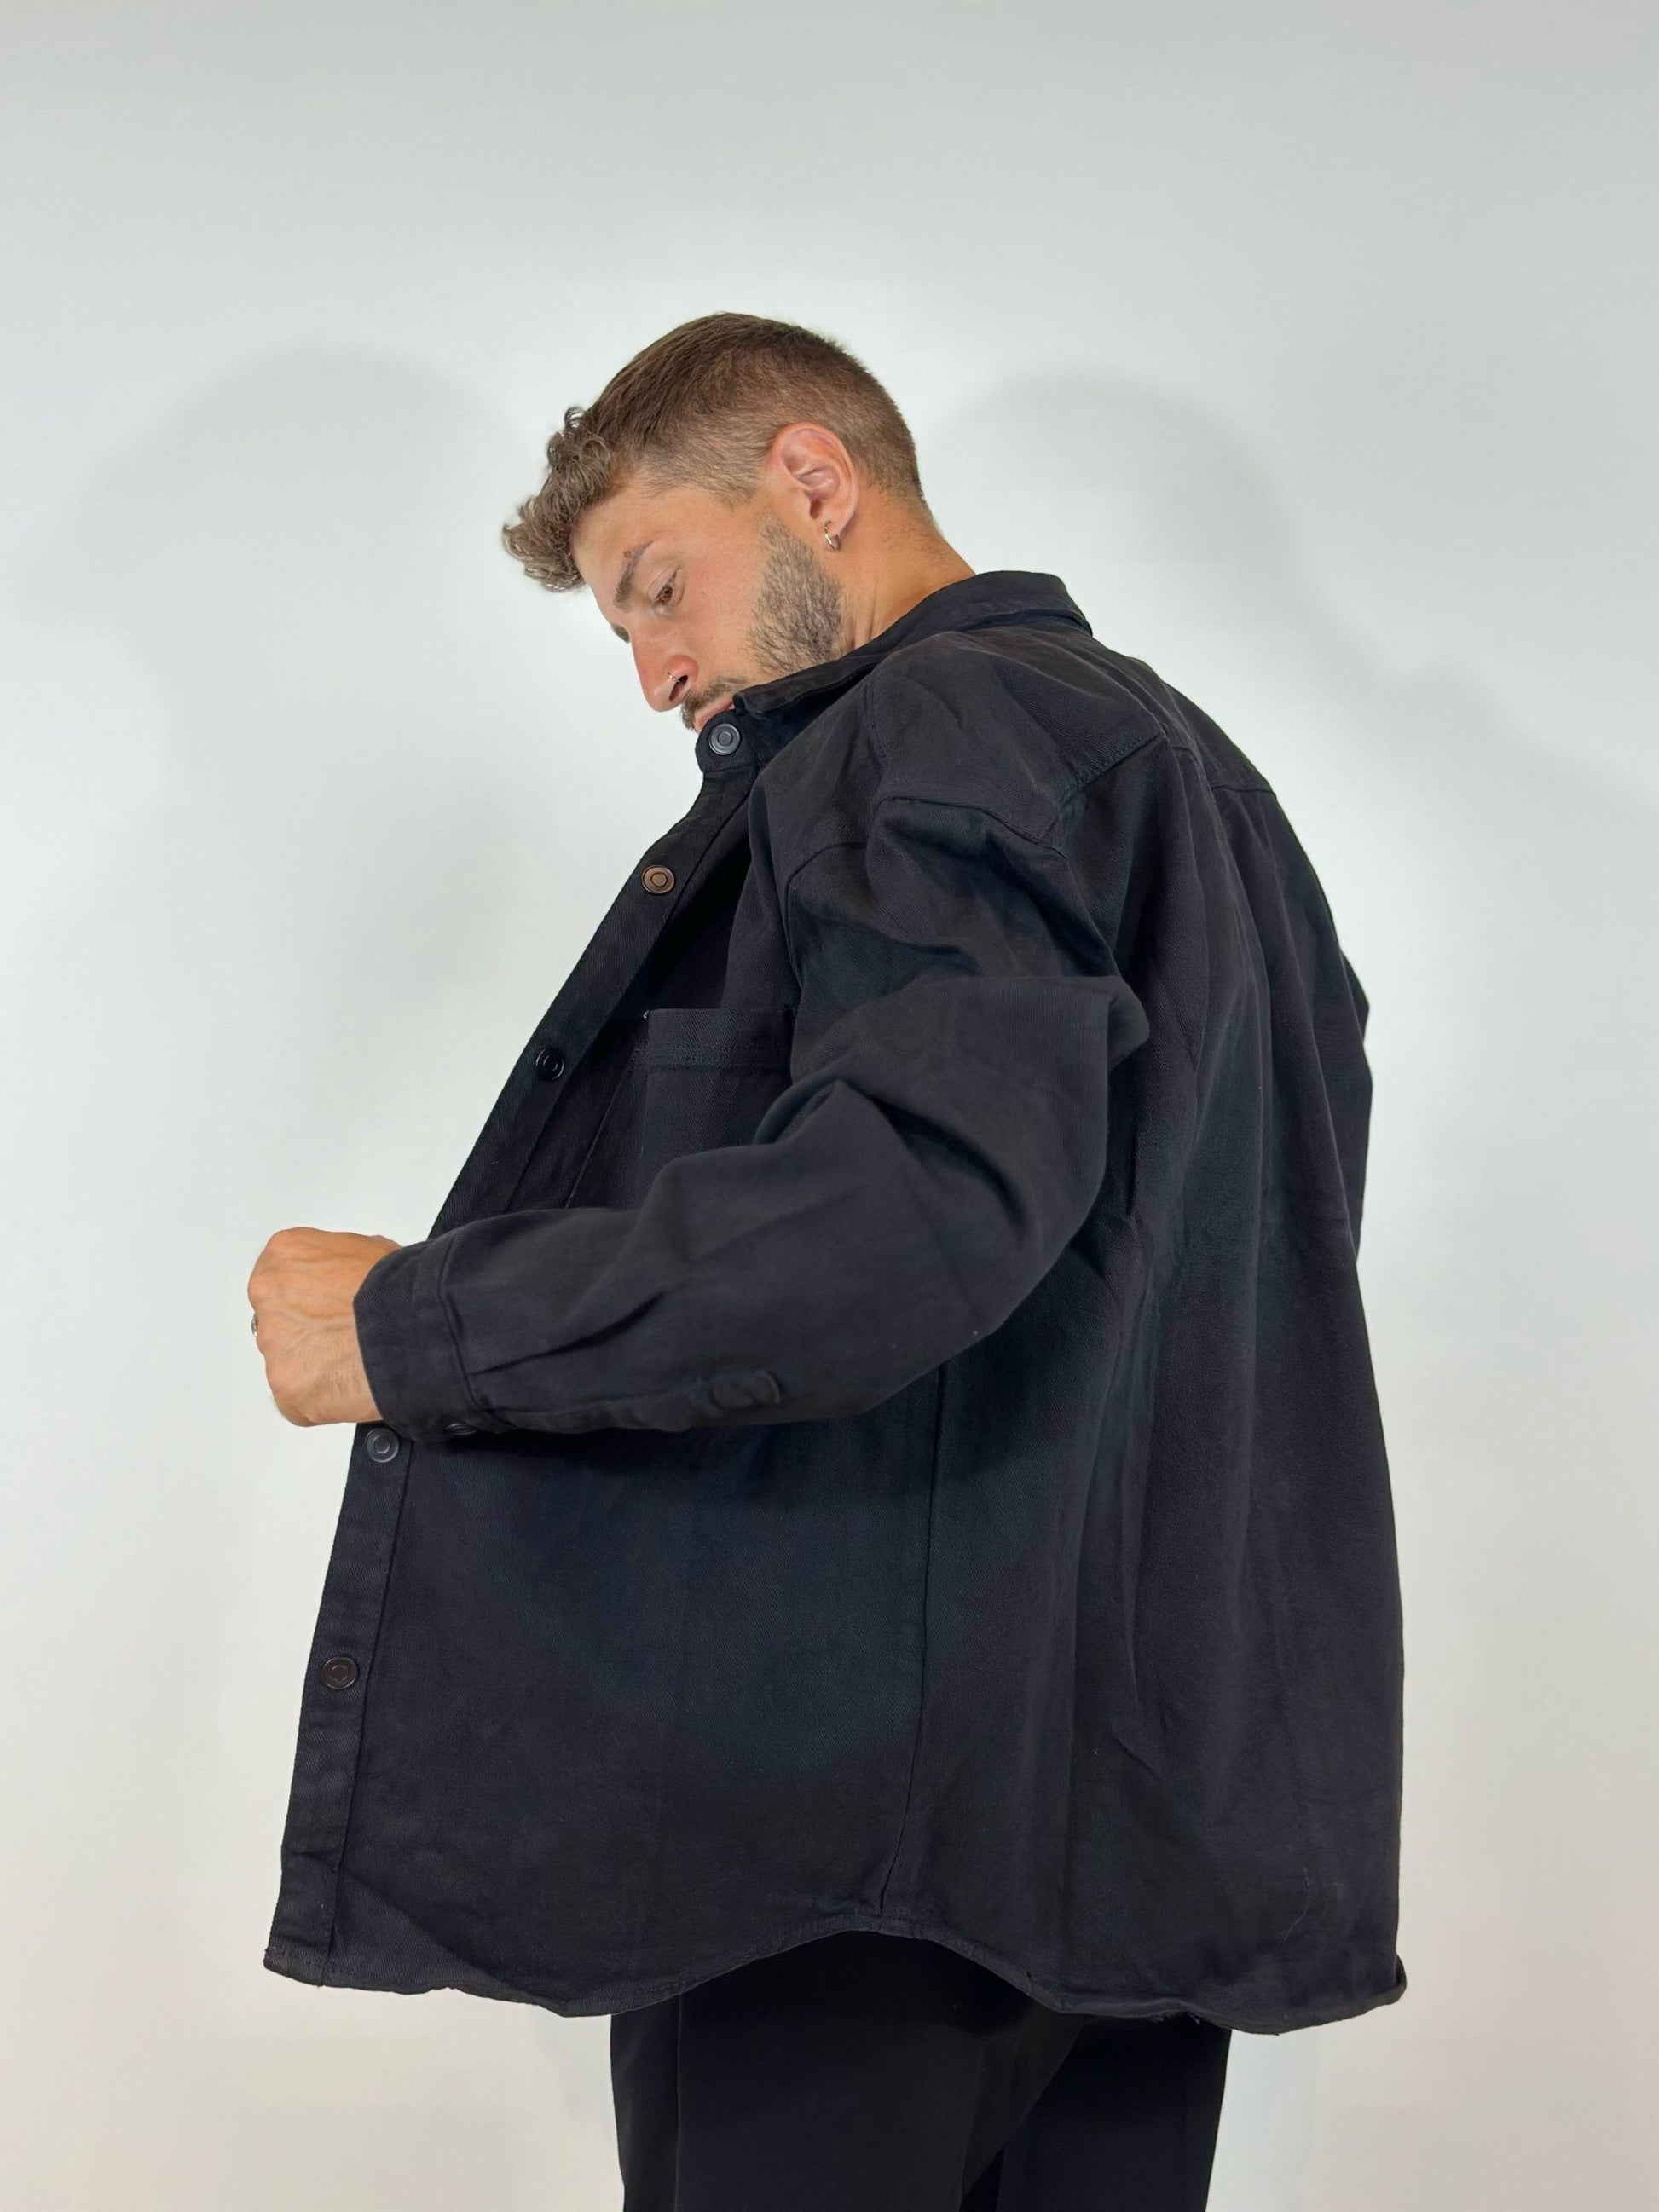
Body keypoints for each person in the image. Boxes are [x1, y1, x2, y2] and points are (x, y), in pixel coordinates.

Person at [248, 313, 1404, 2208]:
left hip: (858, 1839)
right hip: (1136, 1832)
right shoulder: (1201, 782)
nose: (654, 669)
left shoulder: (930, 727)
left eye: (657, 586)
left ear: (810, 479)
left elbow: (911, 1207)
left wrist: (413, 1326)